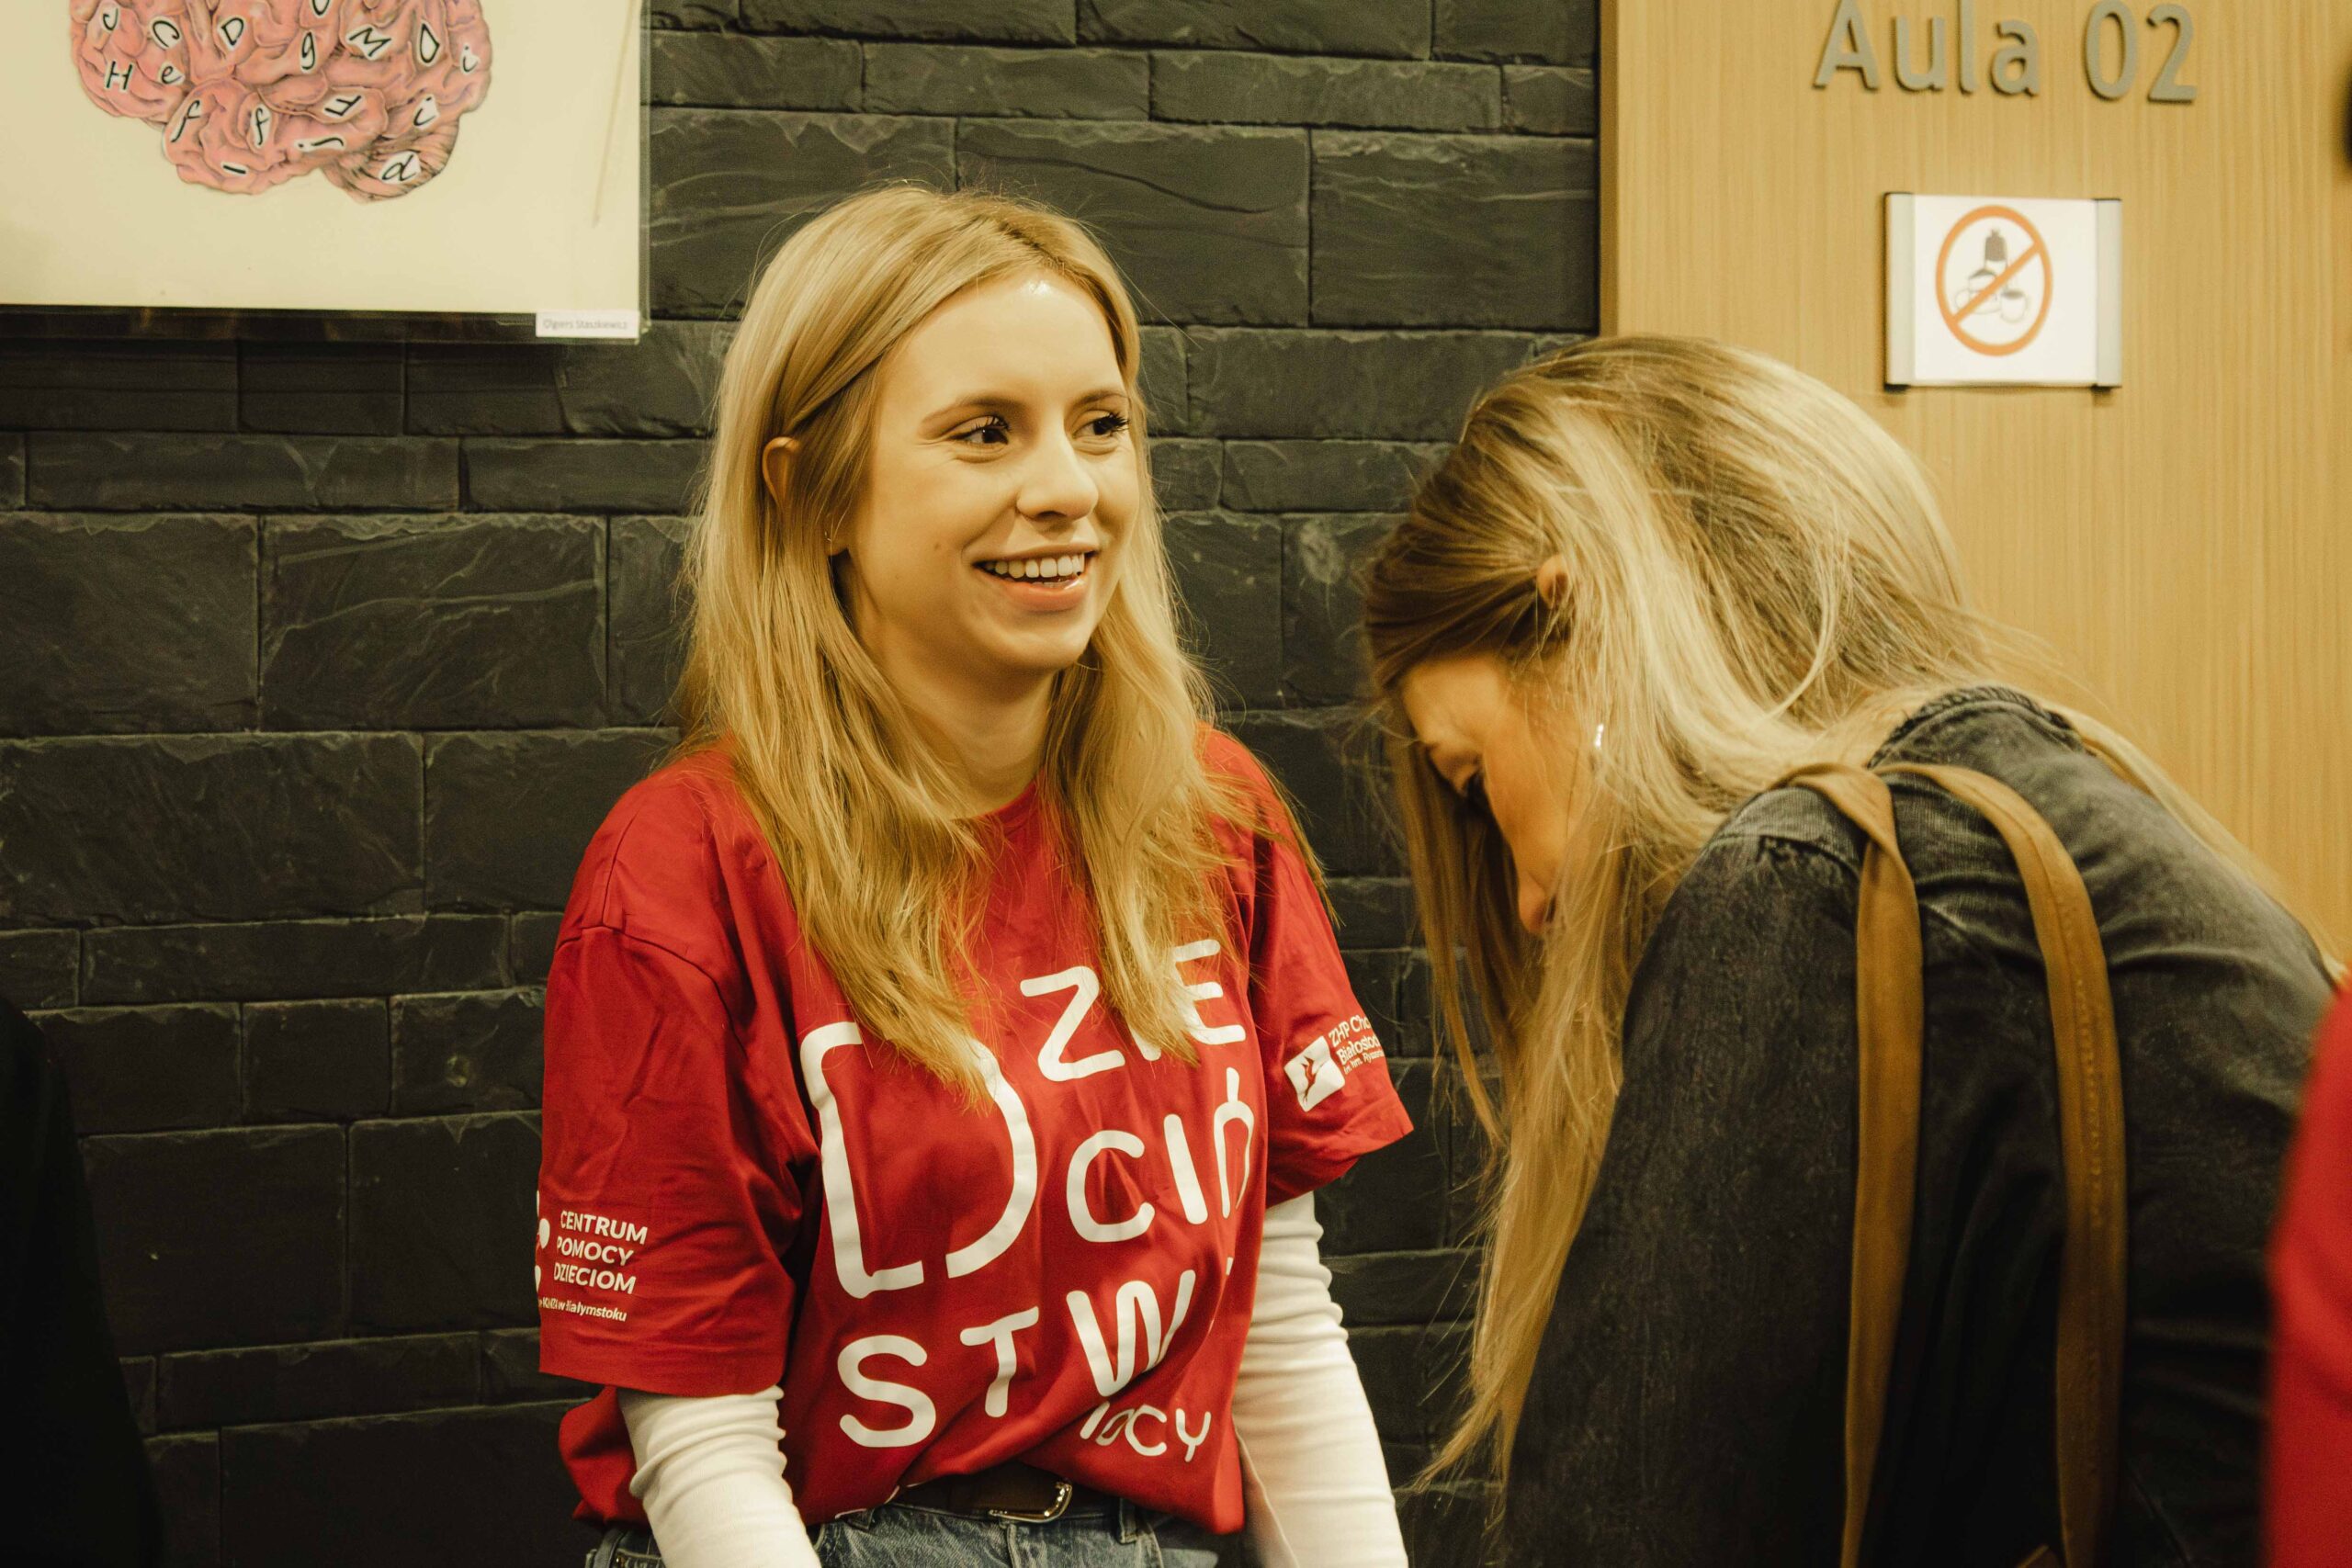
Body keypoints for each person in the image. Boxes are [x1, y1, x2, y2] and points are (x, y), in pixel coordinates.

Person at [536, 186, 1415, 1568]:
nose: (1068, 487)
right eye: (985, 431)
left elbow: (1281, 1316)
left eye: (1101, 424)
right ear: (810, 489)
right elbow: (698, 1442)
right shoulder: (683, 869)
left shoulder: (1210, 812)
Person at [1358, 335, 2339, 1565]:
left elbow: (1621, 1537)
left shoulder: (1819, 879)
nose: (1525, 906)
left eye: (1473, 780)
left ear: (1586, 627)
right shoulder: (2093, 824)